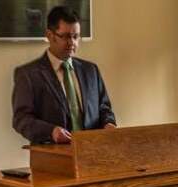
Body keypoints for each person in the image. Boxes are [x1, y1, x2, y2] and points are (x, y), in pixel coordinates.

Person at [12, 6, 117, 144]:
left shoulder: (91, 70)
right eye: (66, 36)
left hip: (92, 154)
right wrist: (51, 131)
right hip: (53, 157)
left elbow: (104, 108)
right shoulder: (29, 75)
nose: (72, 42)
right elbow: (21, 119)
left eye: (76, 36)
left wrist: (109, 124)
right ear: (49, 35)